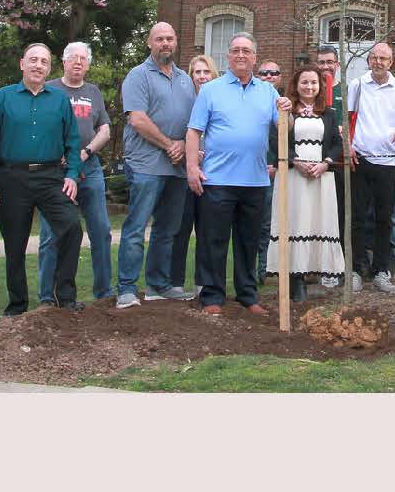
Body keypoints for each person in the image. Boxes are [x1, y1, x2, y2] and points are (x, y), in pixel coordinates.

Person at [0, 41, 87, 318]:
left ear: (49, 68)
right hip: (12, 178)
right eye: (33, 60)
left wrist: (72, 175)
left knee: (72, 227)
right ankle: (17, 306)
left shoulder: (59, 100)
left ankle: (64, 296)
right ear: (22, 64)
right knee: (15, 244)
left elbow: (73, 142)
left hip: (51, 177)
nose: (38, 65)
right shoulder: (3, 98)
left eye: (44, 62)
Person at [182, 37, 282, 313]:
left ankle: (247, 295)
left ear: (254, 58)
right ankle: (212, 296)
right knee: (213, 240)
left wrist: (289, 113)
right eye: (235, 50)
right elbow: (193, 131)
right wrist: (192, 167)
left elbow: (285, 127)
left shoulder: (269, 92)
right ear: (228, 57)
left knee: (248, 242)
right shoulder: (211, 90)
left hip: (255, 181)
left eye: (246, 51)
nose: (240, 55)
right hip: (217, 179)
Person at [112, 21, 197, 306]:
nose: (165, 44)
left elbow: (193, 122)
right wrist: (168, 144)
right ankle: (126, 288)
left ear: (176, 42)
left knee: (167, 229)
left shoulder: (185, 79)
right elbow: (137, 118)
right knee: (137, 227)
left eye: (170, 39)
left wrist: (184, 144)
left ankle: (159, 285)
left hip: (176, 167)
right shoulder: (138, 76)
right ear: (149, 43)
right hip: (146, 164)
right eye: (159, 39)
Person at [40, 41, 116, 308]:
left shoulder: (93, 92)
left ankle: (104, 293)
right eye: (73, 58)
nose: (78, 62)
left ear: (88, 63)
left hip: (90, 169)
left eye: (83, 58)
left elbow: (105, 129)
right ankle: (47, 297)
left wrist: (84, 152)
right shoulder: (49, 89)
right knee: (52, 234)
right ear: (64, 61)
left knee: (101, 231)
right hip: (56, 173)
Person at [270, 66, 347, 293]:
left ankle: (320, 272)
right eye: (305, 82)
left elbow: (335, 143)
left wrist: (325, 163)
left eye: (314, 83)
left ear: (320, 86)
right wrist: (296, 162)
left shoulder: (330, 113)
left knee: (317, 221)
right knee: (296, 221)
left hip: (321, 178)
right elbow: (277, 141)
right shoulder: (286, 112)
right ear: (296, 85)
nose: (309, 87)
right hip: (294, 177)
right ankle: (295, 279)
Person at [345, 41, 395, 291]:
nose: (378, 62)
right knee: (357, 217)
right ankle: (355, 269)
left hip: (388, 162)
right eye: (374, 57)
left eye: (383, 58)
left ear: (391, 62)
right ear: (368, 60)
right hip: (359, 159)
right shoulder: (357, 85)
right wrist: (348, 146)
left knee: (386, 219)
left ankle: (382, 270)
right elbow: (348, 118)